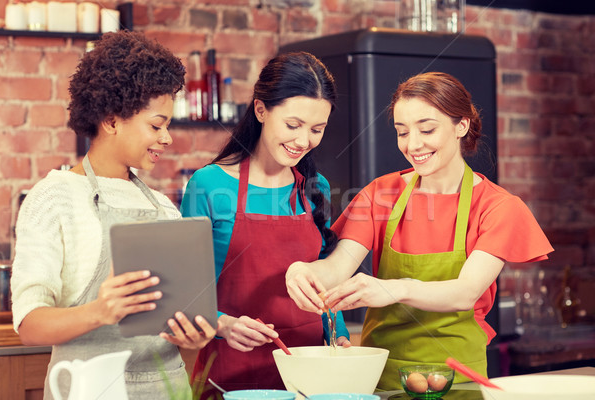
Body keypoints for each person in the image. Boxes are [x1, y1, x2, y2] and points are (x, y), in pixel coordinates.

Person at [285, 72, 554, 390]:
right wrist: (304, 271)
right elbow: (337, 267)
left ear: (461, 126)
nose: (413, 145)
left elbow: (466, 292)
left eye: (427, 129)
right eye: (402, 132)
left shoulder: (497, 206)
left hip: (456, 377)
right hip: (381, 375)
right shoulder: (380, 193)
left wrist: (394, 289)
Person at [11, 31, 216, 399]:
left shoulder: (164, 207)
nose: (167, 138)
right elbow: (29, 325)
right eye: (156, 125)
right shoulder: (54, 198)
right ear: (111, 120)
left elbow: (179, 318)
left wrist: (196, 334)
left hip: (167, 389)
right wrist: (100, 311)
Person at [181, 51, 351, 391]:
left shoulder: (316, 189)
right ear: (261, 110)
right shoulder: (209, 185)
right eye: (293, 125)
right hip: (232, 372)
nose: (304, 141)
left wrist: (340, 335)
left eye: (317, 129)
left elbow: (324, 277)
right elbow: (184, 293)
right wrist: (223, 324)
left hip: (310, 373)